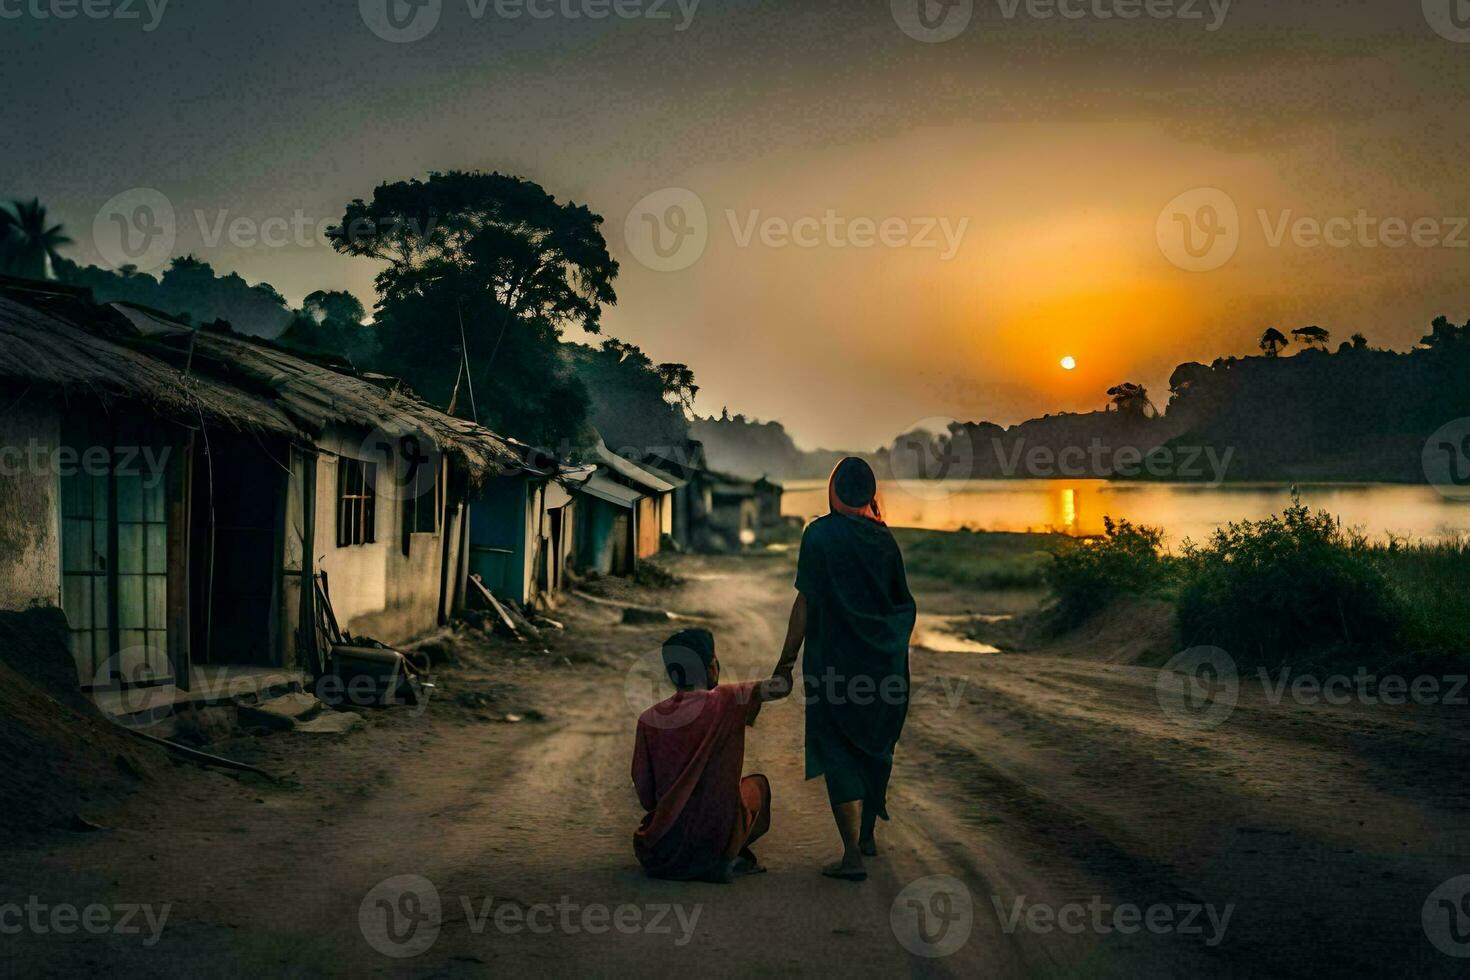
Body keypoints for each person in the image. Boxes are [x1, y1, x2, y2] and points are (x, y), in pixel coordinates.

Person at [771, 456, 916, 882]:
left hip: (832, 668)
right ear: (870, 494)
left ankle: (852, 854)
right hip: (884, 668)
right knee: (876, 747)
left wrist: (785, 663)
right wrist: (887, 644)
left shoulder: (818, 535)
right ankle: (868, 834)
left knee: (837, 750)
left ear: (833, 491)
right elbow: (902, 606)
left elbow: (806, 603)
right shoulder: (884, 540)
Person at [631, 627, 790, 882]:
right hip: (714, 841)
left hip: (661, 851)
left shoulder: (649, 720)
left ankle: (716, 857)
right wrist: (791, 650)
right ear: (710, 668)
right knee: (759, 785)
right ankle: (730, 855)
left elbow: (647, 798)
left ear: (672, 675)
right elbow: (781, 687)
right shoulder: (729, 699)